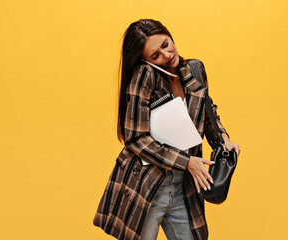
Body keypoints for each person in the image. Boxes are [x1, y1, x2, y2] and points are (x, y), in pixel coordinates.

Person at [93, 19, 240, 240]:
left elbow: (207, 113)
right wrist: (187, 162)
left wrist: (223, 139)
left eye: (165, 43)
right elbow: (136, 139)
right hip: (146, 187)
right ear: (145, 60)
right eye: (155, 55)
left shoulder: (194, 70)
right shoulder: (145, 76)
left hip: (183, 187)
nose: (167, 54)